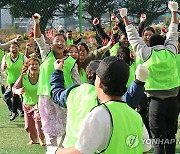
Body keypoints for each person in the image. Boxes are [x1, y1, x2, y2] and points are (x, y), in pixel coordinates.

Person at [50, 56, 151, 153]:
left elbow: (56, 93)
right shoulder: (136, 117)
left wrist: (58, 72)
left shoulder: (99, 111)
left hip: (75, 149)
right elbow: (145, 149)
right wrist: (138, 83)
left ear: (100, 82)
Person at [120, 1, 179, 153]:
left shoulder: (147, 54)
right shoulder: (171, 51)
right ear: (164, 43)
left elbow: (133, 37)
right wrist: (174, 12)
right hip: (173, 102)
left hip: (156, 103)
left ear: (150, 45)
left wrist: (125, 17)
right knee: (171, 135)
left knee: (158, 138)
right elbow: (173, 31)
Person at [33, 13, 81, 153]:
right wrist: (37, 22)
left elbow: (77, 82)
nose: (60, 43)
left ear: (65, 45)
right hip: (46, 98)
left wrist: (77, 98)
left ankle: (60, 150)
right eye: (57, 41)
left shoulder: (71, 62)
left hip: (62, 98)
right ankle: (52, 150)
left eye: (62, 41)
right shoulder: (46, 54)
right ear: (51, 44)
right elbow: (38, 38)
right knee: (49, 129)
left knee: (66, 127)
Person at [12, 58, 45, 146]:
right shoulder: (24, 77)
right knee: (28, 126)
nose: (34, 66)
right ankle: (33, 139)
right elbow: (14, 88)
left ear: (39, 66)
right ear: (28, 67)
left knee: (38, 122)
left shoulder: (43, 76)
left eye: (36, 64)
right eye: (32, 64)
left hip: (38, 105)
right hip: (26, 105)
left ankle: (42, 139)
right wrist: (18, 91)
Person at [1, 42, 26, 121]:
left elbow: (28, 64)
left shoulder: (22, 56)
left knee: (7, 96)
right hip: (11, 81)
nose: (14, 49)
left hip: (20, 81)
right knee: (15, 97)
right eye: (12, 48)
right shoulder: (6, 57)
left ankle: (14, 112)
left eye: (16, 47)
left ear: (19, 49)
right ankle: (20, 111)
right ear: (10, 49)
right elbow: (2, 68)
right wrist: (4, 67)